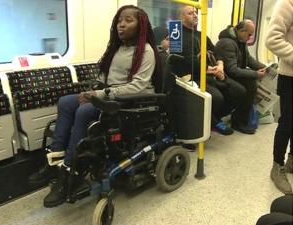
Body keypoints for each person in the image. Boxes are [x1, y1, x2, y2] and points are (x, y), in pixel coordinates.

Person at [40, 5, 163, 208]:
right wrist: (93, 90)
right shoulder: (115, 49)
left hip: (133, 100)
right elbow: (103, 79)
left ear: (140, 25)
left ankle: (72, 171)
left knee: (85, 110)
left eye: (128, 20)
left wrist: (99, 94)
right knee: (66, 101)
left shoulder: (146, 51)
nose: (121, 24)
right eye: (119, 20)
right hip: (110, 95)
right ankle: (55, 158)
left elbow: (138, 86)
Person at [176, 5, 246, 136]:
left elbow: (216, 52)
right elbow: (188, 62)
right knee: (217, 98)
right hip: (192, 76)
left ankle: (213, 118)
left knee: (239, 92)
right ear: (181, 17)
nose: (195, 15)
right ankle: (213, 121)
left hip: (210, 72)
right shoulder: (178, 35)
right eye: (190, 13)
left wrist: (220, 66)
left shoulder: (201, 35)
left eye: (196, 12)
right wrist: (211, 70)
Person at [215, 19, 267, 134]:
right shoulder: (227, 43)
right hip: (223, 75)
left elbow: (248, 59)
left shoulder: (241, 41)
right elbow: (232, 70)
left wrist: (264, 68)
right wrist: (255, 74)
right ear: (242, 31)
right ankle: (238, 122)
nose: (249, 38)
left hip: (232, 73)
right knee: (249, 86)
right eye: (249, 34)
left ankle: (242, 119)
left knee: (251, 83)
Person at [265, 0, 293, 194]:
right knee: (287, 122)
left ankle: (292, 159)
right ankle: (277, 166)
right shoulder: (287, 4)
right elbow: (272, 39)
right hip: (290, 76)